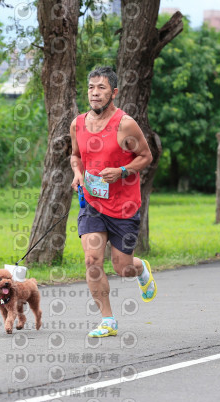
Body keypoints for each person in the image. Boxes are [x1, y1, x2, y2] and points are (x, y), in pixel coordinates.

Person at [70, 66, 157, 338]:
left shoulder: (125, 124)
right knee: (92, 260)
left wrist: (122, 171)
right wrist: (78, 174)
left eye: (102, 88)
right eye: (91, 88)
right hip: (93, 205)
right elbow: (75, 156)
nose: (95, 93)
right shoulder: (78, 123)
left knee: (123, 268)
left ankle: (140, 268)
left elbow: (146, 157)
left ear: (114, 93)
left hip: (123, 207)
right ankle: (108, 320)